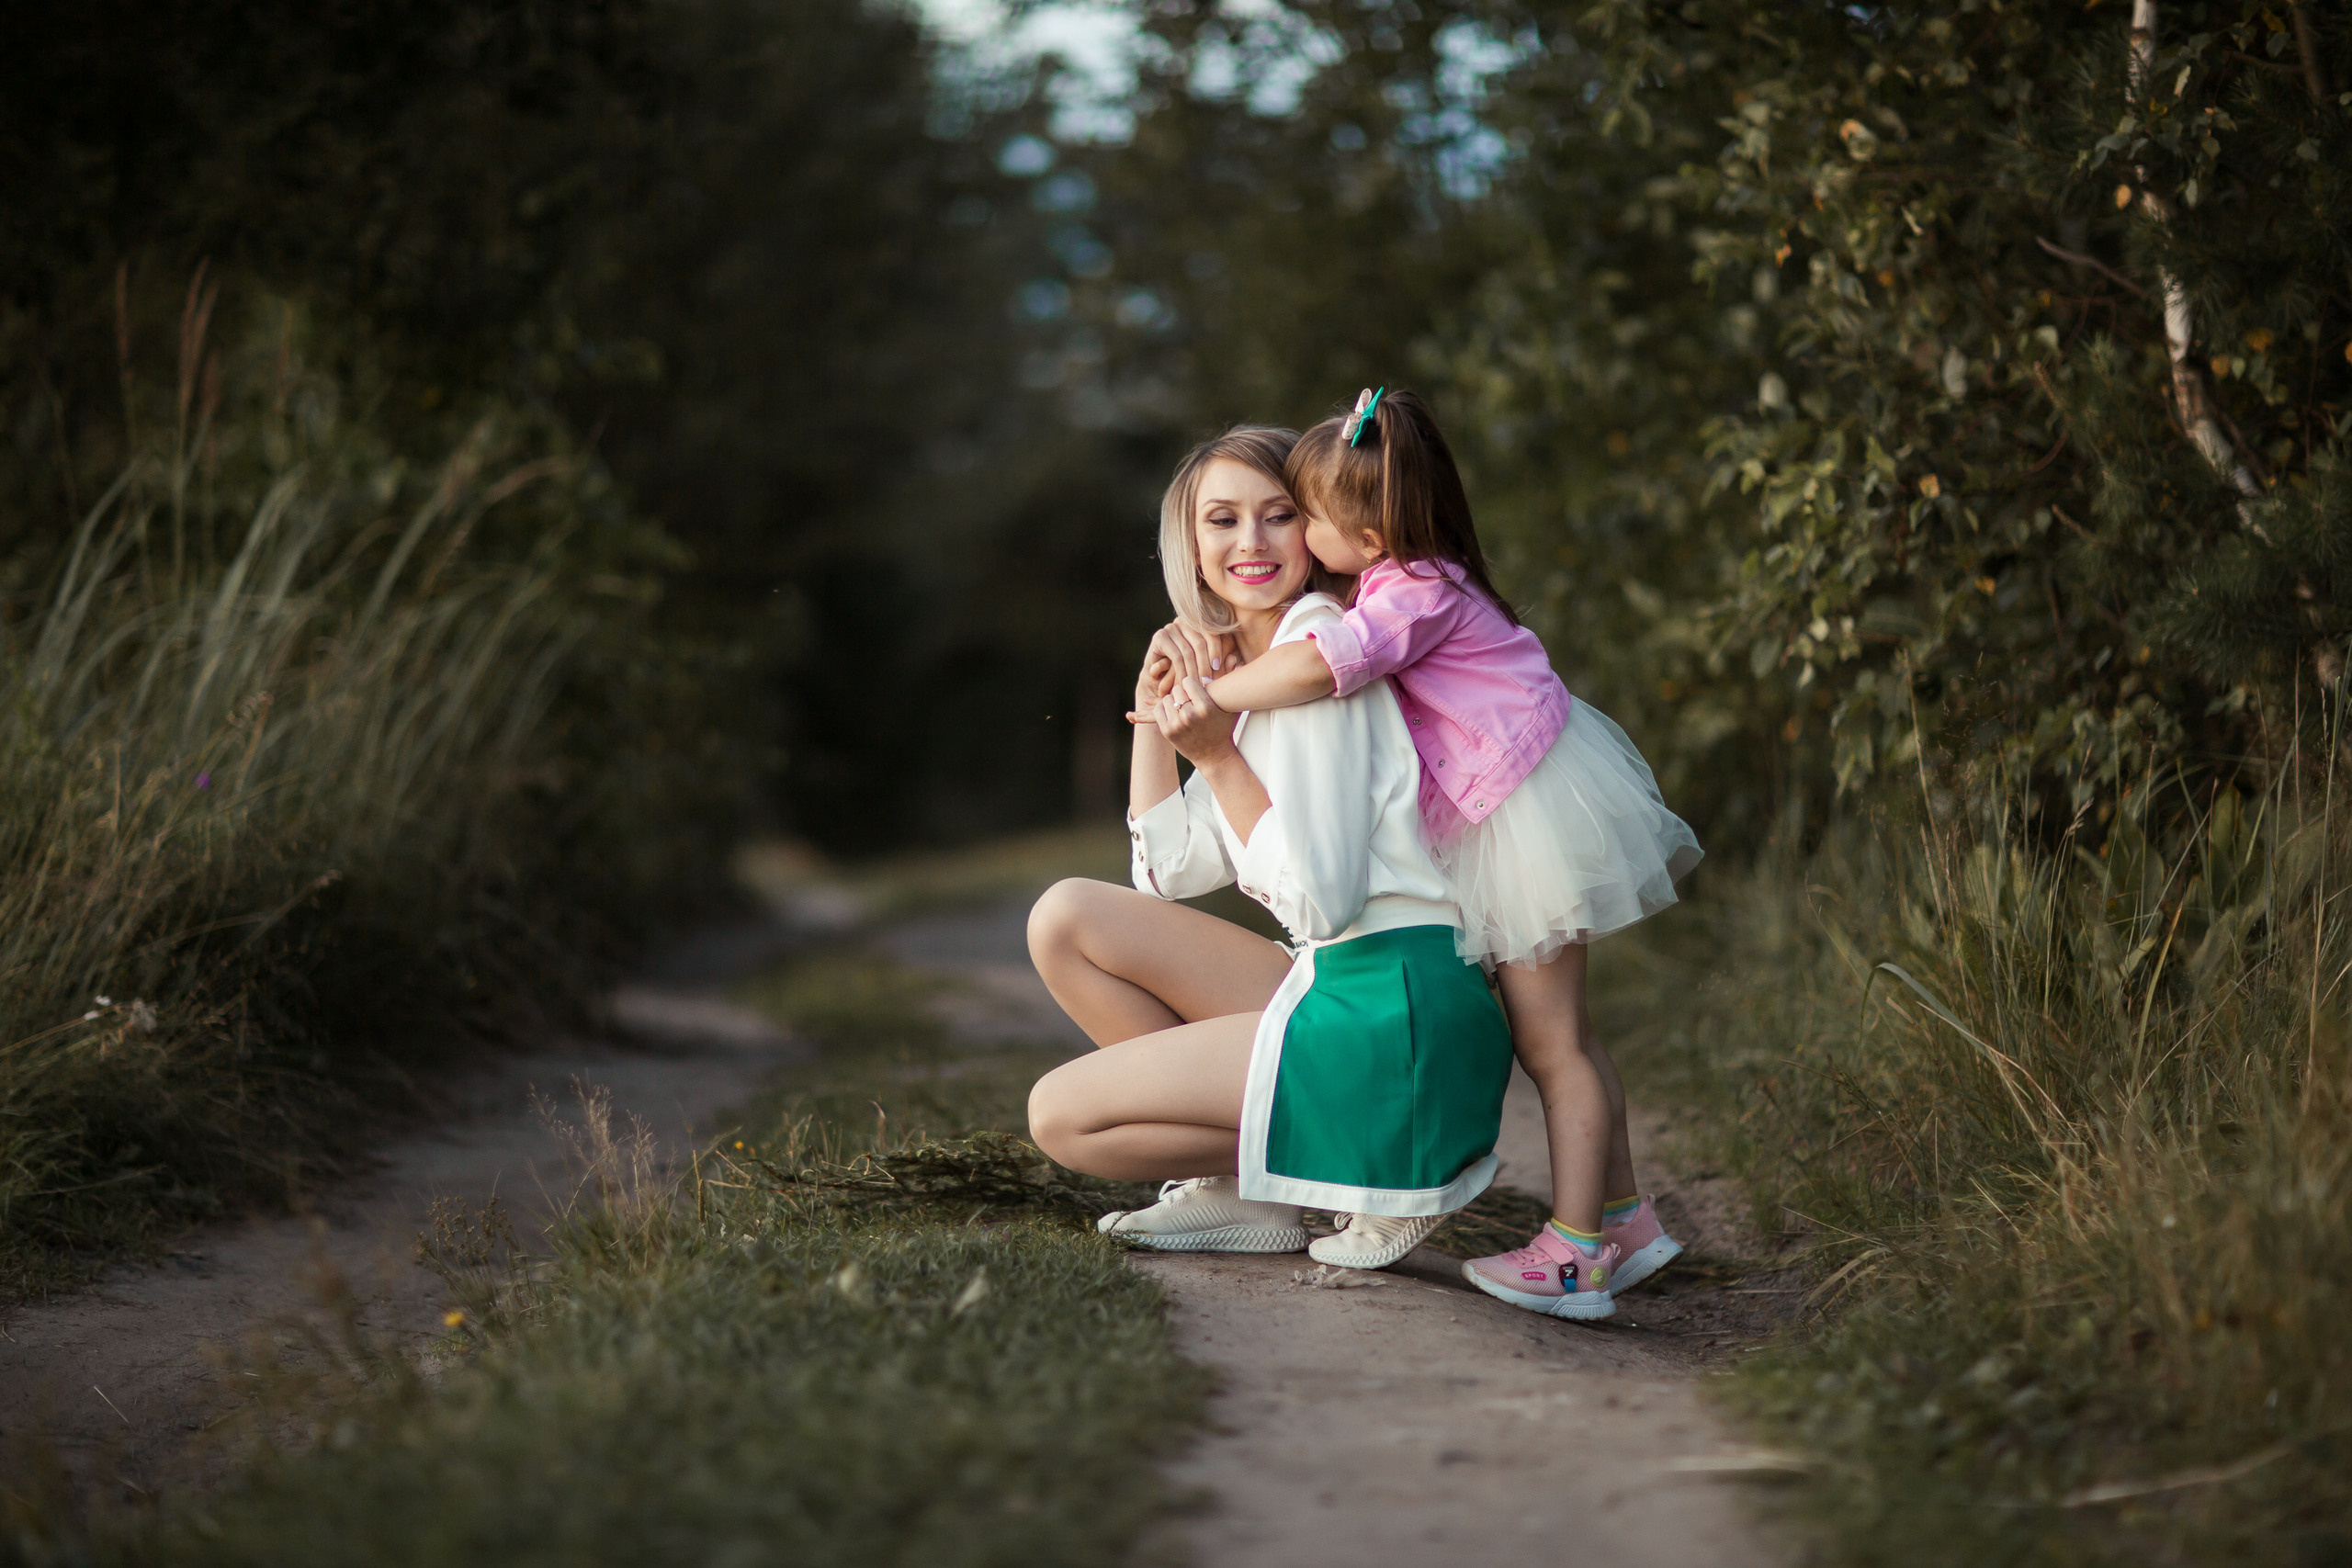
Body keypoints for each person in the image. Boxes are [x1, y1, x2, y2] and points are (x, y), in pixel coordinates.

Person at [1160, 387, 1703, 1319]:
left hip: (1522, 820)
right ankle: (1623, 1221)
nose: (1296, 543)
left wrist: (1219, 699)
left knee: (1555, 1044)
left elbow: (1321, 667)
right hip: (1512, 810)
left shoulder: (1410, 593)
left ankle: (1574, 1257)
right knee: (1566, 1038)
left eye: (1307, 519)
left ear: (1361, 539)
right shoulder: (1413, 579)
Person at [1025, 424, 1522, 1278]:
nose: (1249, 542)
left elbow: (1321, 899)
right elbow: (1169, 874)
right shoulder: (1256, 670)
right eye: (1222, 520)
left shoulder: (1318, 663)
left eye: (1278, 515)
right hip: (1348, 984)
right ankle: (1247, 1189)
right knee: (1067, 917)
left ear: (1317, 530)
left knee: (1059, 1115)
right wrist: (1161, 704)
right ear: (1190, 542)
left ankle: (1348, 1165)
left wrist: (1217, 755)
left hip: (1397, 1016)